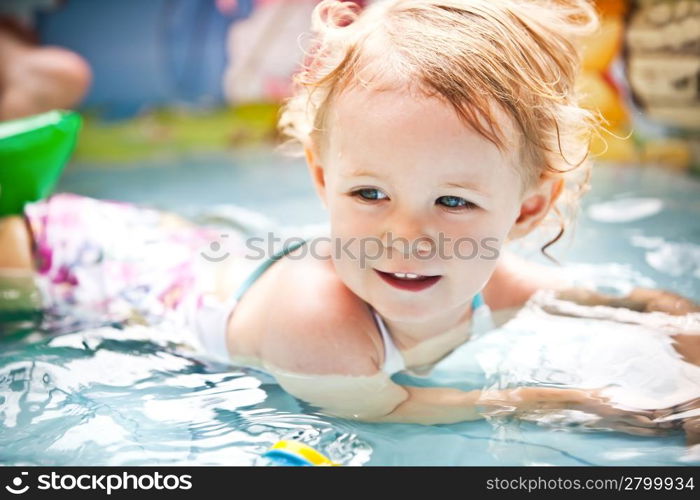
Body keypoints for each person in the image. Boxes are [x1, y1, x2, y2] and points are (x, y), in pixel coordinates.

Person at [1, 0, 699, 442]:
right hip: (70, 264)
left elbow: (607, 300)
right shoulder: (320, 327)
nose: (406, 234)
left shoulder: (492, 277)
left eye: (453, 202)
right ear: (322, 178)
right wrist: (582, 401)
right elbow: (390, 408)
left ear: (526, 209)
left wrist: (674, 324)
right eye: (368, 194)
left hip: (180, 256)